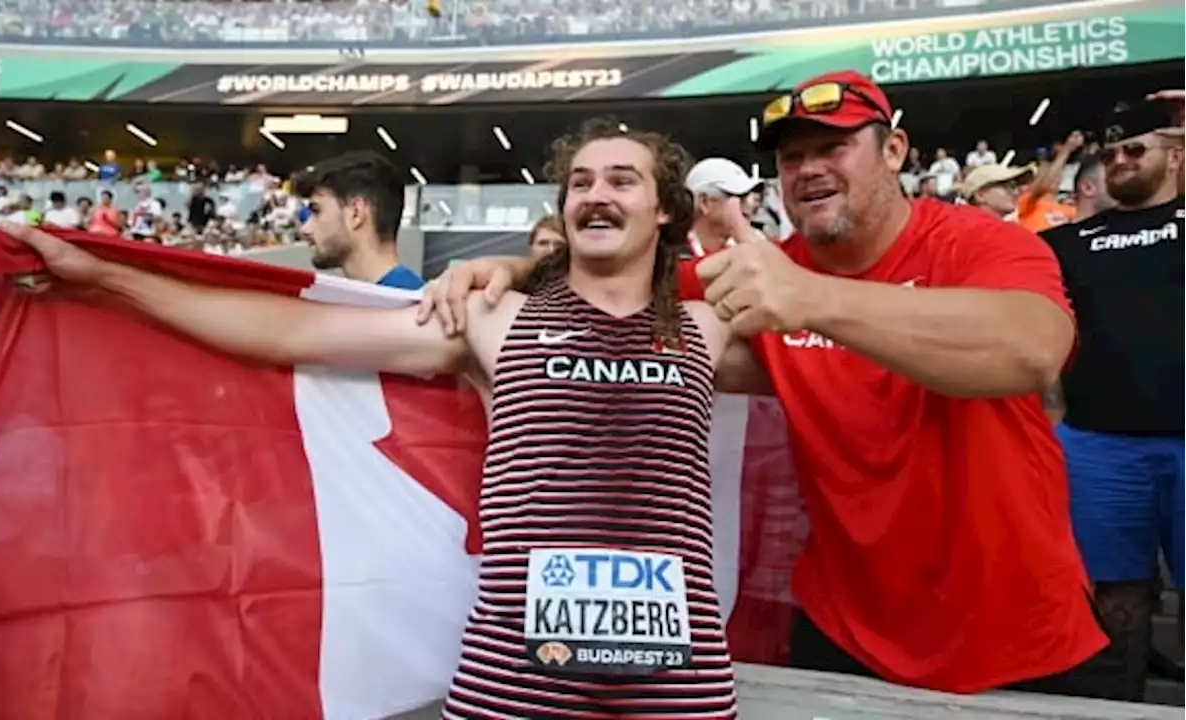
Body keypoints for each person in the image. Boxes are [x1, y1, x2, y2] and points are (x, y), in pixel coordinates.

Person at [11, 118, 772, 718]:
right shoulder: (491, 319)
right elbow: (288, 333)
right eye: (579, 182)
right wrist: (104, 277)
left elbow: (843, 345)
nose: (595, 194)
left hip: (678, 686)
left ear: (665, 207)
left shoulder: (709, 332)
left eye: (621, 179)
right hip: (515, 683)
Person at [416, 70, 1119, 699]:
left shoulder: (974, 241)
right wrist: (511, 269)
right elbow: (615, 291)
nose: (808, 169)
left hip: (1015, 633)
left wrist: (810, 300)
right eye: (791, 157)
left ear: (896, 153)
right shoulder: (758, 274)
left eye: (832, 147)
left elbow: (1033, 349)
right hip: (843, 635)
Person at [1040, 98, 1186, 701]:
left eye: (1136, 149)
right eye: (1113, 152)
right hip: (1098, 446)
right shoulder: (1066, 244)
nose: (1120, 161)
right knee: (1111, 600)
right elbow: (1042, 331)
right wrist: (1053, 417)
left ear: (1176, 155)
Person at [292, 151, 424, 289]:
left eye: (317, 211)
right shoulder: (409, 300)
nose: (305, 229)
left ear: (356, 213)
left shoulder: (413, 305)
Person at [684, 158, 762, 255]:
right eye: (738, 196)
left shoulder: (746, 251)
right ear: (705, 202)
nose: (749, 205)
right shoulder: (673, 257)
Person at [957, 163, 1034, 219]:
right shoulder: (966, 231)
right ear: (980, 195)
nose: (1016, 193)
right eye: (1007, 187)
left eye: (1015, 187)